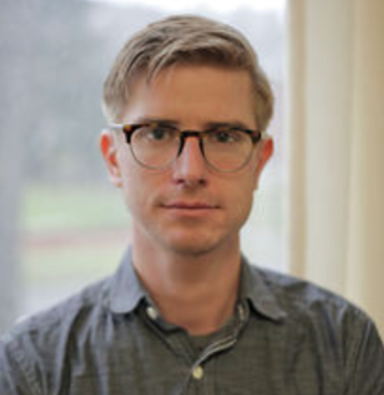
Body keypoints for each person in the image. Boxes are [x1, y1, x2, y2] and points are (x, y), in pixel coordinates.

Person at [1, 14, 383, 395]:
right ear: (113, 159)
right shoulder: (33, 365)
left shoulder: (346, 346)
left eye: (223, 135)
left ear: (260, 161)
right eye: (158, 133)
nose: (191, 170)